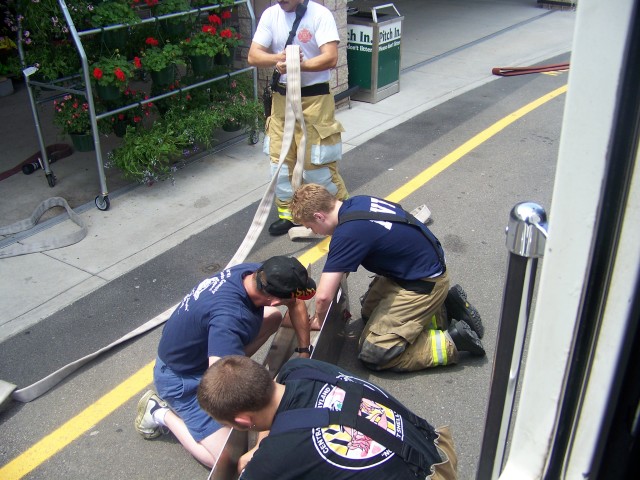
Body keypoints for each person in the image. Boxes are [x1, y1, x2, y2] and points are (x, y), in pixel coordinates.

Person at [134, 256, 316, 468]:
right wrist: (263, 433)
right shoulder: (229, 319)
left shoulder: (256, 274)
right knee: (223, 460)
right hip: (181, 380)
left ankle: (232, 360)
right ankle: (157, 412)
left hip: (200, 354)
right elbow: (222, 392)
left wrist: (304, 352)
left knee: (273, 318)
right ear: (274, 298)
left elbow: (296, 303)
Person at [290, 183, 486, 372]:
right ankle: (446, 306)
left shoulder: (348, 232)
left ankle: (453, 339)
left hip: (422, 285)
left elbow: (324, 296)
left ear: (319, 216)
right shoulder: (357, 203)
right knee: (369, 312)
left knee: (374, 352)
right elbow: (342, 267)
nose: (313, 232)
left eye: (310, 227)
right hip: (412, 272)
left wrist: (319, 320)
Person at [198, 355, 458, 479]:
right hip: (434, 455)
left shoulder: (273, 462)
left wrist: (259, 460)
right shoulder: (299, 368)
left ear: (243, 422)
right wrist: (259, 448)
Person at [248, 0, 349, 236]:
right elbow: (253, 56)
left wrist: (297, 66)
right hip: (282, 100)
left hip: (315, 100)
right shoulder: (271, 15)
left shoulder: (320, 15)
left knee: (316, 164)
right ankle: (290, 215)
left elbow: (330, 57)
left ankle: (340, 214)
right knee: (280, 163)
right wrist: (278, 60)